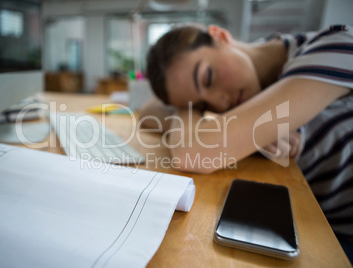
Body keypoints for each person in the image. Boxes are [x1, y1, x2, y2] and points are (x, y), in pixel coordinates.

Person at [140, 24, 353, 261]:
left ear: (219, 36)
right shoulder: (255, 67)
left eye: (208, 78)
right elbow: (148, 110)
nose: (219, 104)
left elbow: (192, 153)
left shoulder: (339, 45)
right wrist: (190, 112)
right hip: (310, 220)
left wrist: (201, 127)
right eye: (203, 105)